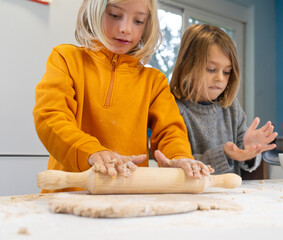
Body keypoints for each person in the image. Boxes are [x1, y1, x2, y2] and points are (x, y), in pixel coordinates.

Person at [33, 0, 213, 193]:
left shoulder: (154, 81)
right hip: (69, 193)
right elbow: (51, 117)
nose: (126, 29)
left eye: (138, 21)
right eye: (115, 16)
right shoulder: (66, 59)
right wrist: (91, 151)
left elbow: (170, 131)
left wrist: (179, 156)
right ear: (94, 13)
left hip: (129, 196)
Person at [170, 24, 278, 175]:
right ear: (187, 66)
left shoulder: (231, 107)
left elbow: (245, 161)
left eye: (227, 72)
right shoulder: (174, 109)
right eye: (211, 69)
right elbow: (179, 164)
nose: (220, 78)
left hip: (228, 196)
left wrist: (249, 150)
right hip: (191, 196)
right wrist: (224, 154)